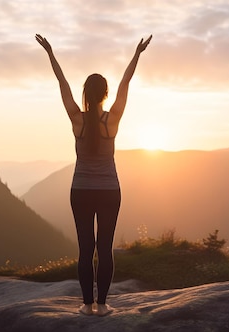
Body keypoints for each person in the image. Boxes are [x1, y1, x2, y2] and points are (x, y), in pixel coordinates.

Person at [36, 33, 152, 316]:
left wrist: (51, 54)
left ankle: (87, 304)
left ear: (85, 95)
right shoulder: (111, 120)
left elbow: (62, 85)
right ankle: (103, 305)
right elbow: (125, 84)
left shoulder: (77, 120)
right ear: (105, 95)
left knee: (85, 249)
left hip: (81, 191)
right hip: (110, 191)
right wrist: (136, 54)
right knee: (106, 248)